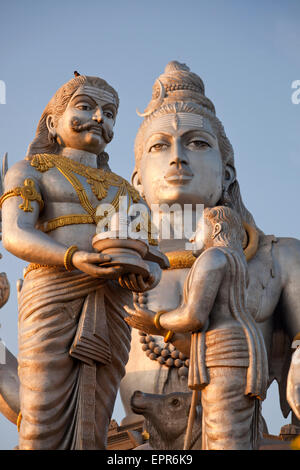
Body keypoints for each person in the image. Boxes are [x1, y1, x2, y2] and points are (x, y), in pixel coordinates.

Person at [120, 61, 300, 430]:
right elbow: (37, 401)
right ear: (137, 179)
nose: (177, 158)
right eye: (159, 145)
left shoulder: (277, 257)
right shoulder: (110, 269)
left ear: (227, 171)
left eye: (198, 143)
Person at [0, 73, 160, 449]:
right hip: (52, 297)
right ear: (53, 122)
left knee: (97, 422)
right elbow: (15, 234)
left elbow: (153, 256)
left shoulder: (125, 189)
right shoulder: (31, 171)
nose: (99, 118)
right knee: (41, 415)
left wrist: (144, 277)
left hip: (111, 306)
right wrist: (73, 258)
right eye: (86, 107)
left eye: (109, 112)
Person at [127, 205, 268, 449]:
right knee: (230, 434)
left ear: (216, 228)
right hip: (239, 348)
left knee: (221, 436)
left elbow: (193, 316)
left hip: (224, 355)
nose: (192, 238)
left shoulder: (213, 257)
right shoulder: (237, 260)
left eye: (197, 230)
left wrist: (155, 320)